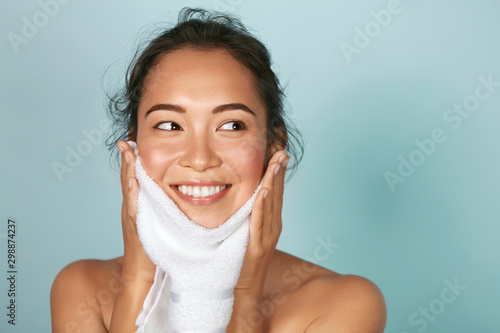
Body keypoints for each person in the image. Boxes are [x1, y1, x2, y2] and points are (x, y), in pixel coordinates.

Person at [50, 7, 386, 332]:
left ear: (274, 146)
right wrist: (138, 280)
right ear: (133, 149)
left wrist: (245, 295)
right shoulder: (84, 290)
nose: (200, 159)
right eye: (169, 125)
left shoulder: (344, 303)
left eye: (232, 125)